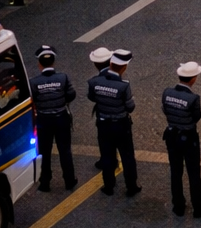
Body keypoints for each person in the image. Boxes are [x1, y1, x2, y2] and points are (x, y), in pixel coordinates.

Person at [162, 63, 201, 218]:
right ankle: (199, 207)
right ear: (193, 79)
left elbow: (165, 110)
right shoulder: (193, 98)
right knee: (193, 173)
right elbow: (196, 116)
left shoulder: (167, 92)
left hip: (171, 135)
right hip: (188, 137)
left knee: (176, 171)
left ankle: (178, 205)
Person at [87, 48, 140, 196]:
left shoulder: (94, 82)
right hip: (121, 124)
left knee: (106, 155)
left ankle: (108, 186)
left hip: (103, 124)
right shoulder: (123, 86)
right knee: (127, 156)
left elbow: (92, 97)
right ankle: (131, 186)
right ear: (124, 67)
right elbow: (130, 107)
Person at [30, 45, 78, 193]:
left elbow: (32, 101)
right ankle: (69, 181)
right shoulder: (63, 77)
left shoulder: (33, 82)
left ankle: (45, 182)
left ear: (39, 64)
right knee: (65, 150)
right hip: (61, 119)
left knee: (44, 151)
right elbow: (71, 95)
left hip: (43, 121)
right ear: (53, 62)